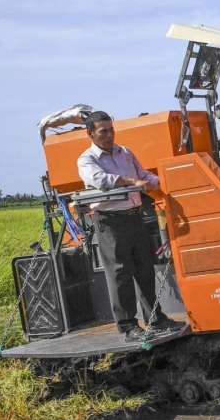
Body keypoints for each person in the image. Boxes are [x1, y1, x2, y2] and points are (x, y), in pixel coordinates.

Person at [77, 111, 184, 342]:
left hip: (134, 217)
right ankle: (128, 326)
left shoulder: (125, 153)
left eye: (111, 130)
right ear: (90, 133)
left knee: (144, 268)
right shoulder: (87, 159)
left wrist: (167, 180)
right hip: (111, 220)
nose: (109, 135)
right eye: (103, 131)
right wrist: (132, 182)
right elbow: (101, 180)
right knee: (120, 272)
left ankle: (155, 318)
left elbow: (142, 174)